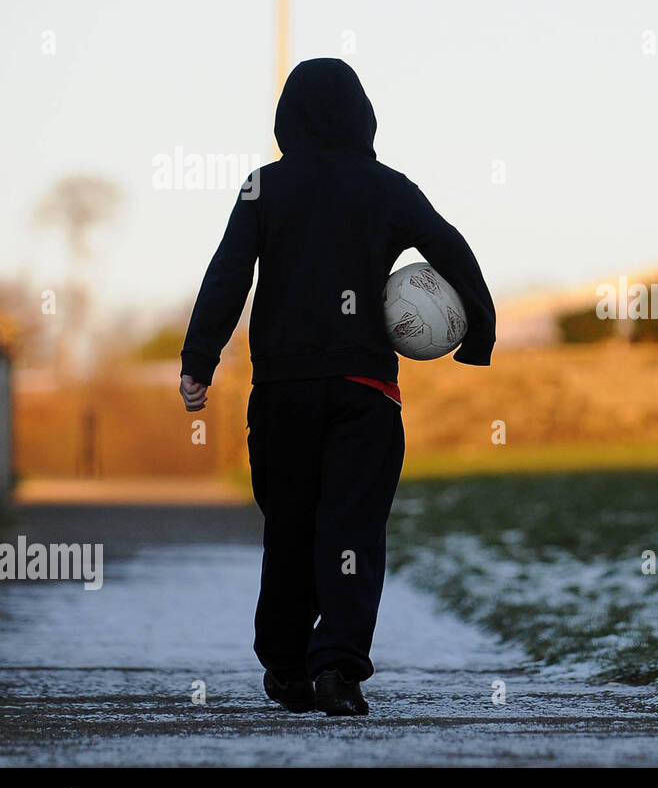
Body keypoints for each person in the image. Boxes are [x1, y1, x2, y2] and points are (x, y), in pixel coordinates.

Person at [178, 58, 495, 716]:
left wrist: (198, 360)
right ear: (364, 118)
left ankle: (288, 665)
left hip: (282, 392)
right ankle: (338, 669)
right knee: (351, 529)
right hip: (364, 390)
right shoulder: (388, 188)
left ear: (287, 121)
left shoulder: (264, 188)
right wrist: (479, 335)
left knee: (290, 528)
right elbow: (450, 247)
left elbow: (228, 272)